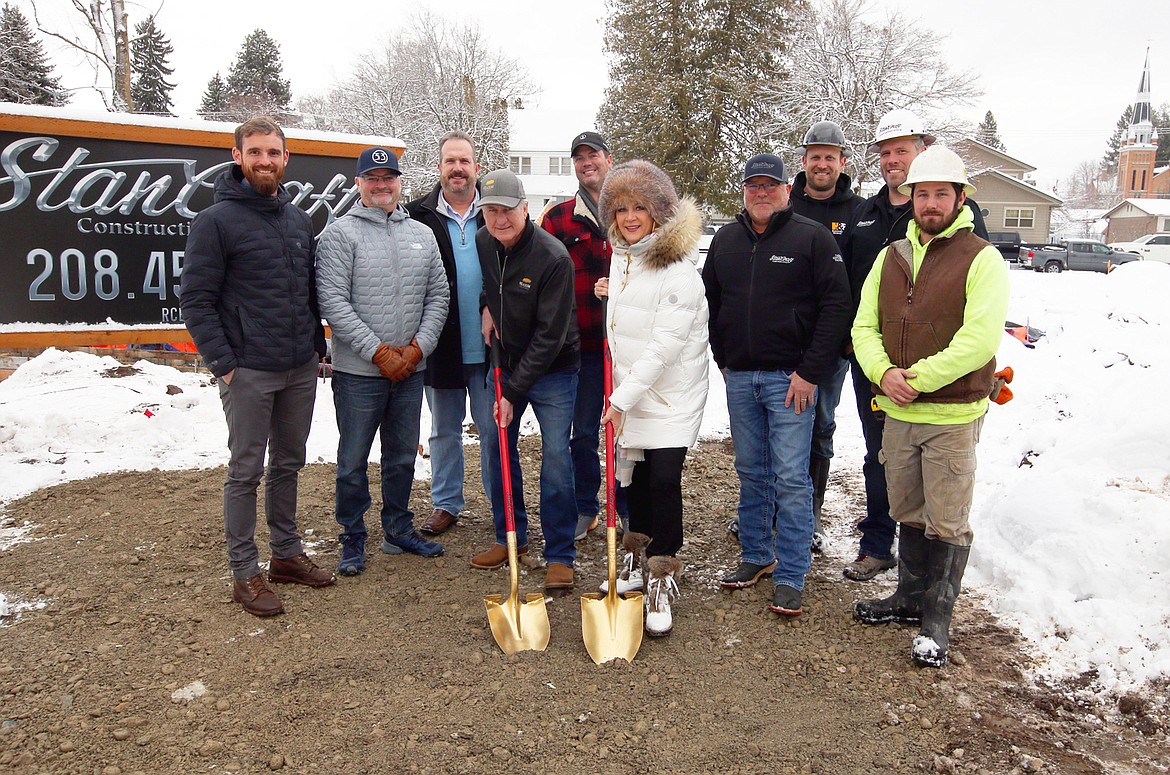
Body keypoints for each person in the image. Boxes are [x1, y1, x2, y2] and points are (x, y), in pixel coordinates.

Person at [851, 145, 1009, 668]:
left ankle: (937, 620)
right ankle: (907, 598)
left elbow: (979, 340)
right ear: (910, 198)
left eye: (942, 192)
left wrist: (916, 380)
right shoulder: (890, 256)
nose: (931, 202)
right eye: (923, 193)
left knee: (947, 519)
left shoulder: (980, 257)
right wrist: (884, 374)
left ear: (959, 198)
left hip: (952, 416)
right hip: (899, 413)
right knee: (907, 510)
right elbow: (864, 326)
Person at [180, 116, 333, 617]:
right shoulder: (215, 222)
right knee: (246, 470)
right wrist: (225, 364)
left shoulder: (296, 219)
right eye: (256, 152)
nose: (265, 161)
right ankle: (244, 572)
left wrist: (315, 351)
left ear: (285, 158)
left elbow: (307, 293)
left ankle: (285, 556)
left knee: (288, 463)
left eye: (273, 152)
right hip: (248, 371)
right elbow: (197, 302)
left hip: (297, 368)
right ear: (238, 156)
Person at [839, 109, 990, 582]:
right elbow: (855, 297)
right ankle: (879, 545)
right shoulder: (866, 216)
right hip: (878, 369)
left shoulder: (964, 228)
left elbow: (969, 308)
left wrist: (920, 377)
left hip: (943, 384)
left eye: (900, 150)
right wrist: (876, 366)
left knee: (940, 485)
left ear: (923, 152)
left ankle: (929, 600)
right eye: (884, 153)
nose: (891, 160)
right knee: (882, 457)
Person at [703, 153, 851, 616]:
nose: (761, 193)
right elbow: (710, 303)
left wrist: (810, 373)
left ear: (789, 190)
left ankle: (791, 571)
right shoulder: (726, 240)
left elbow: (836, 308)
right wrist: (724, 359)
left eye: (771, 185)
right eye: (753, 185)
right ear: (744, 191)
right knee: (751, 470)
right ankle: (756, 556)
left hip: (792, 380)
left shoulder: (811, 239)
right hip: (742, 377)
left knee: (790, 476)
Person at [316, 147, 450, 575]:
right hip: (360, 372)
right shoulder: (341, 234)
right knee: (353, 459)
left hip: (410, 370)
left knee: (401, 457)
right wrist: (378, 353)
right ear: (358, 184)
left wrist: (416, 350)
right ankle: (353, 536)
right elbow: (333, 302)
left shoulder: (422, 235)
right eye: (371, 177)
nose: (380, 184)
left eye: (388, 177)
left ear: (398, 181)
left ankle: (397, 528)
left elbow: (439, 296)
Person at [592, 160, 708, 637]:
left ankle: (662, 573)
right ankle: (635, 561)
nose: (631, 216)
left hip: (669, 395)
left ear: (660, 212)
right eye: (622, 208)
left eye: (641, 206)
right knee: (633, 478)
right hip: (632, 388)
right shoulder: (624, 257)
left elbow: (664, 346)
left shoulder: (678, 269)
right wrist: (609, 294)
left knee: (663, 478)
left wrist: (621, 399)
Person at [474, 169, 581, 591]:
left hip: (553, 368)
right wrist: (487, 306)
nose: (499, 220)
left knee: (556, 457)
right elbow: (491, 285)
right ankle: (510, 536)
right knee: (496, 450)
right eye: (491, 211)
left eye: (507, 211)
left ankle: (560, 554)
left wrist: (512, 392)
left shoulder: (553, 258)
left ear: (526, 209)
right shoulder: (485, 242)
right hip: (504, 360)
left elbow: (550, 336)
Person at [538, 131, 630, 540]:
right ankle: (586, 506)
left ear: (609, 159)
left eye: (593, 155)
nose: (586, 162)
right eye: (579, 157)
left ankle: (626, 506)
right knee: (583, 433)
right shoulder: (557, 219)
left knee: (628, 433)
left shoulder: (632, 211)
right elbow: (542, 277)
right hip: (582, 348)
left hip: (628, 348)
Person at [405, 131, 493, 537]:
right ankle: (446, 503)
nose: (457, 168)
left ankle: (501, 501)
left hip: (492, 345)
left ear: (477, 167)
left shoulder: (496, 211)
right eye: (449, 161)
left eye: (464, 161)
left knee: (493, 427)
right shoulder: (416, 215)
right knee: (443, 429)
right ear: (439, 167)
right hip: (440, 344)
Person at [789, 120, 863, 552]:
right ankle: (768, 511)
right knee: (774, 430)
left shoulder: (858, 213)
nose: (822, 164)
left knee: (819, 426)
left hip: (831, 344)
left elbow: (860, 278)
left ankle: (809, 514)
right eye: (814, 156)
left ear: (842, 162)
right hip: (782, 341)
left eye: (829, 157)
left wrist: (850, 336)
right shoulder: (785, 203)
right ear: (804, 161)